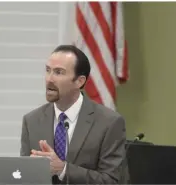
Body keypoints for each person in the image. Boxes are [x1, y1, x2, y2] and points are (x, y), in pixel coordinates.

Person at [20, 45, 126, 184]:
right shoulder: (32, 121)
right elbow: (23, 176)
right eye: (48, 70)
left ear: (79, 81)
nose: (49, 79)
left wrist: (63, 169)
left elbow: (112, 181)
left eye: (59, 72)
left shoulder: (108, 123)